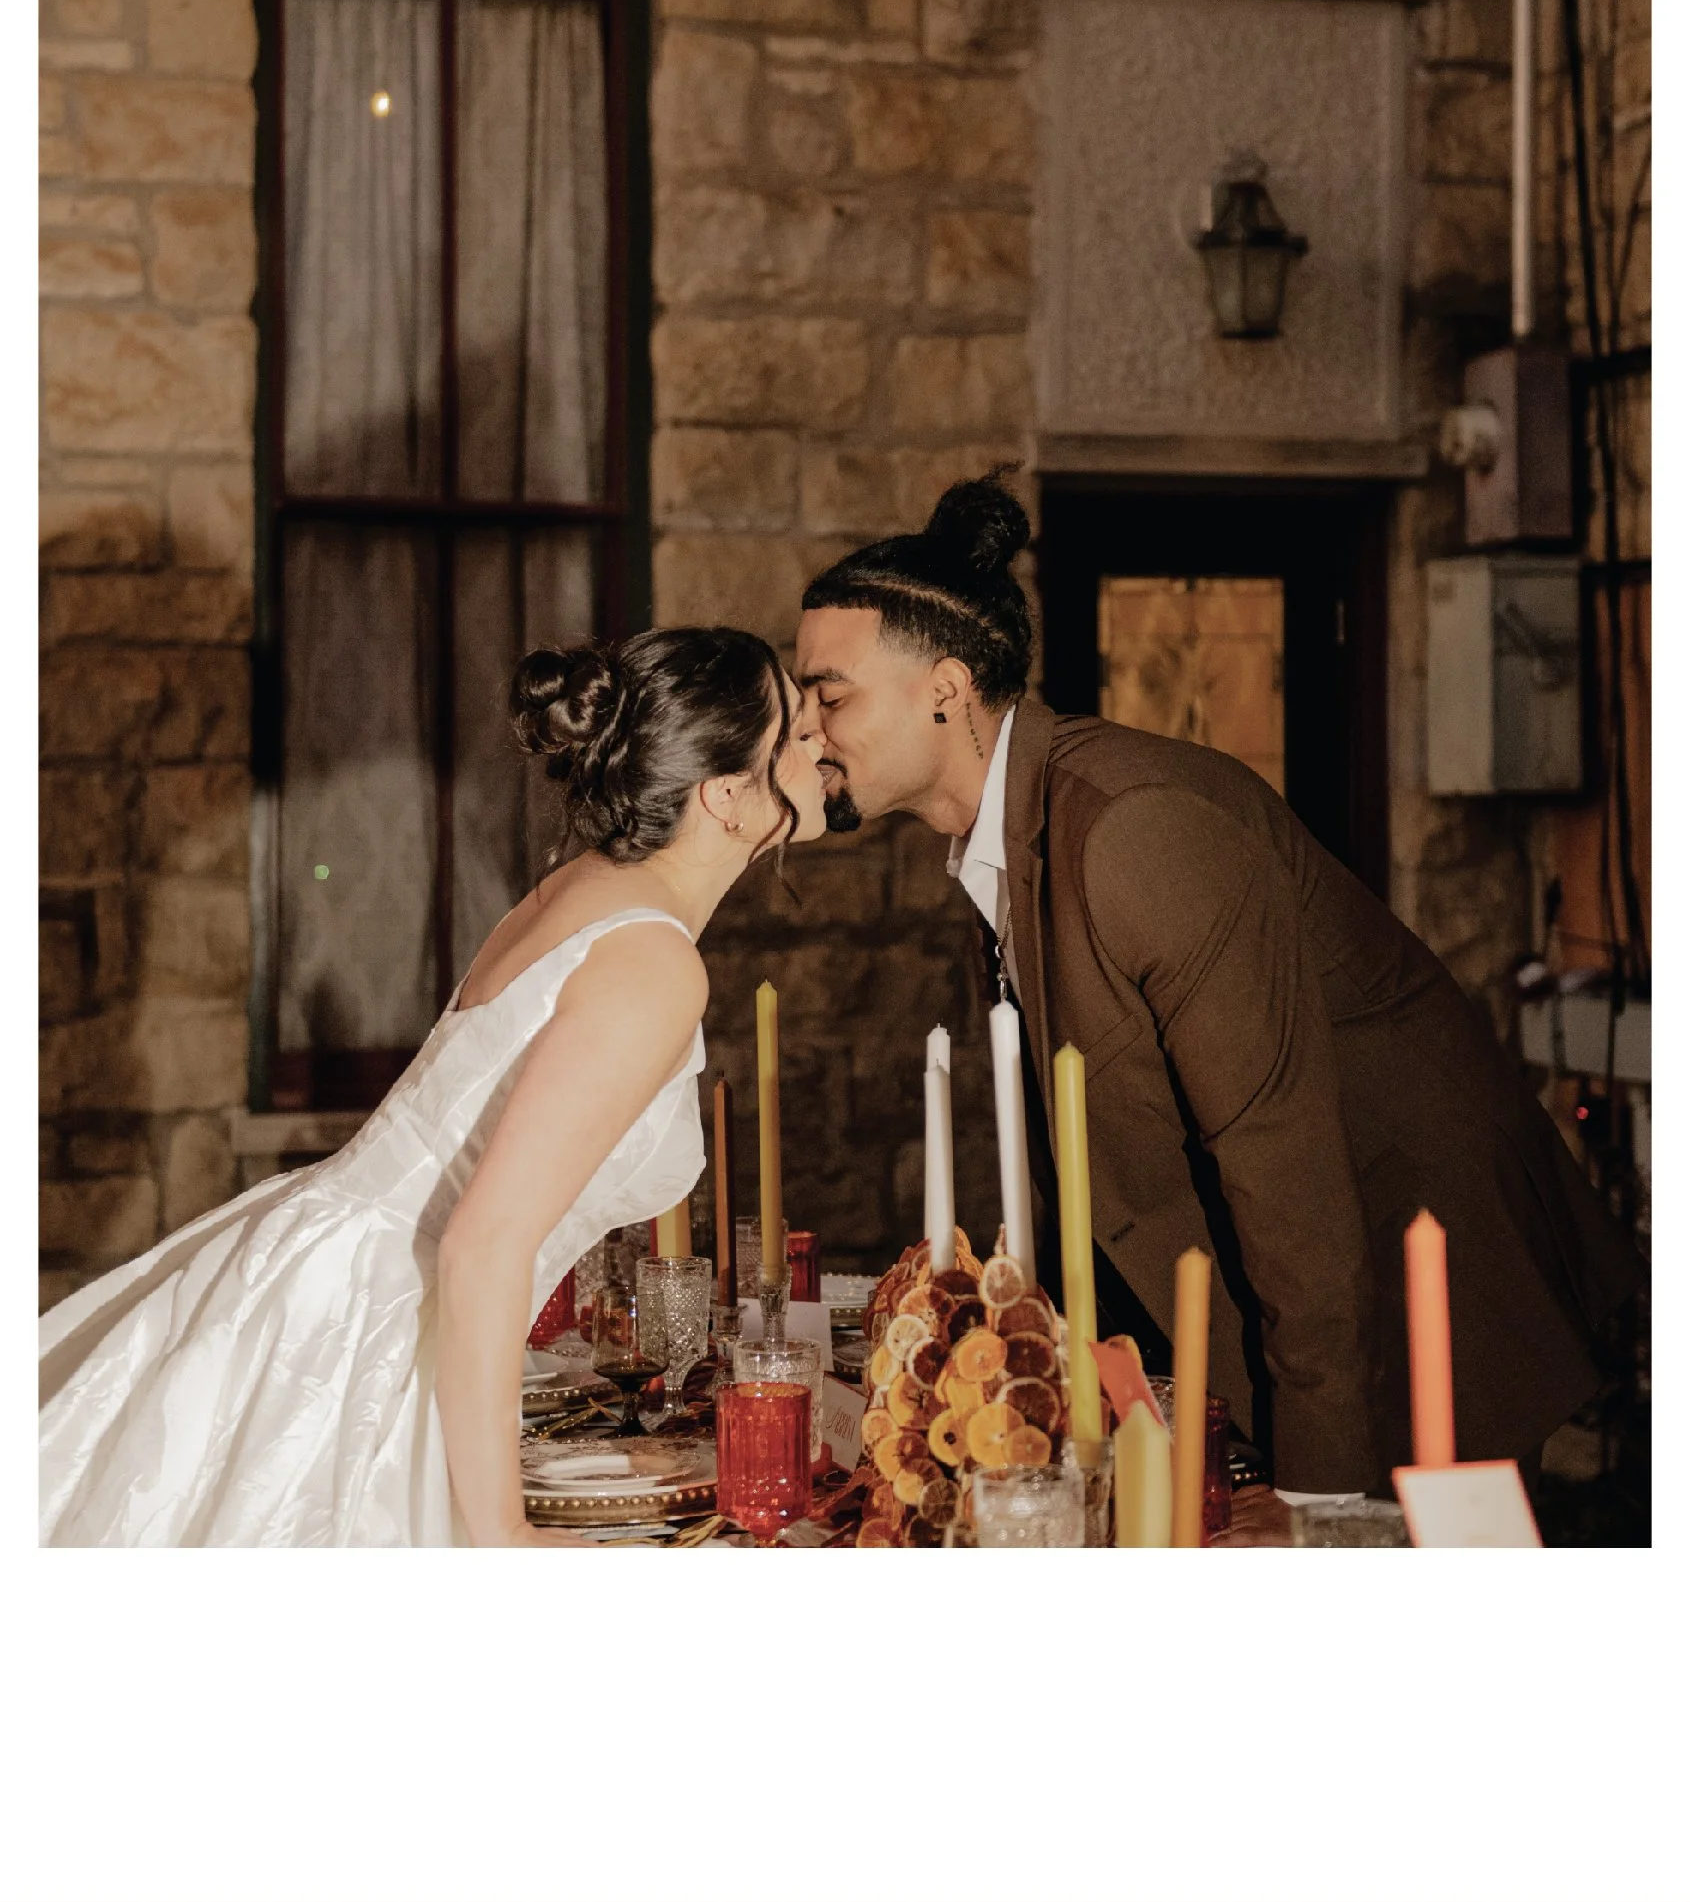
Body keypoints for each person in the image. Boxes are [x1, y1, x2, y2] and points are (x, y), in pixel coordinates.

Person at [794, 475, 1645, 1520]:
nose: (809, 733)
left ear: (945, 687)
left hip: (1409, 1288)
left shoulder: (1134, 829)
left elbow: (1287, 1172)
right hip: (1275, 1314)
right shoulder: (1015, 832)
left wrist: (1315, 1500)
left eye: (828, 696)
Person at [40, 628, 827, 1546]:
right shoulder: (651, 961)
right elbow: (482, 1247)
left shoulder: (585, 890)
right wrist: (505, 1539)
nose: (822, 750)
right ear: (729, 794)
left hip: (323, 1264)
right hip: (359, 1329)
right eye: (799, 738)